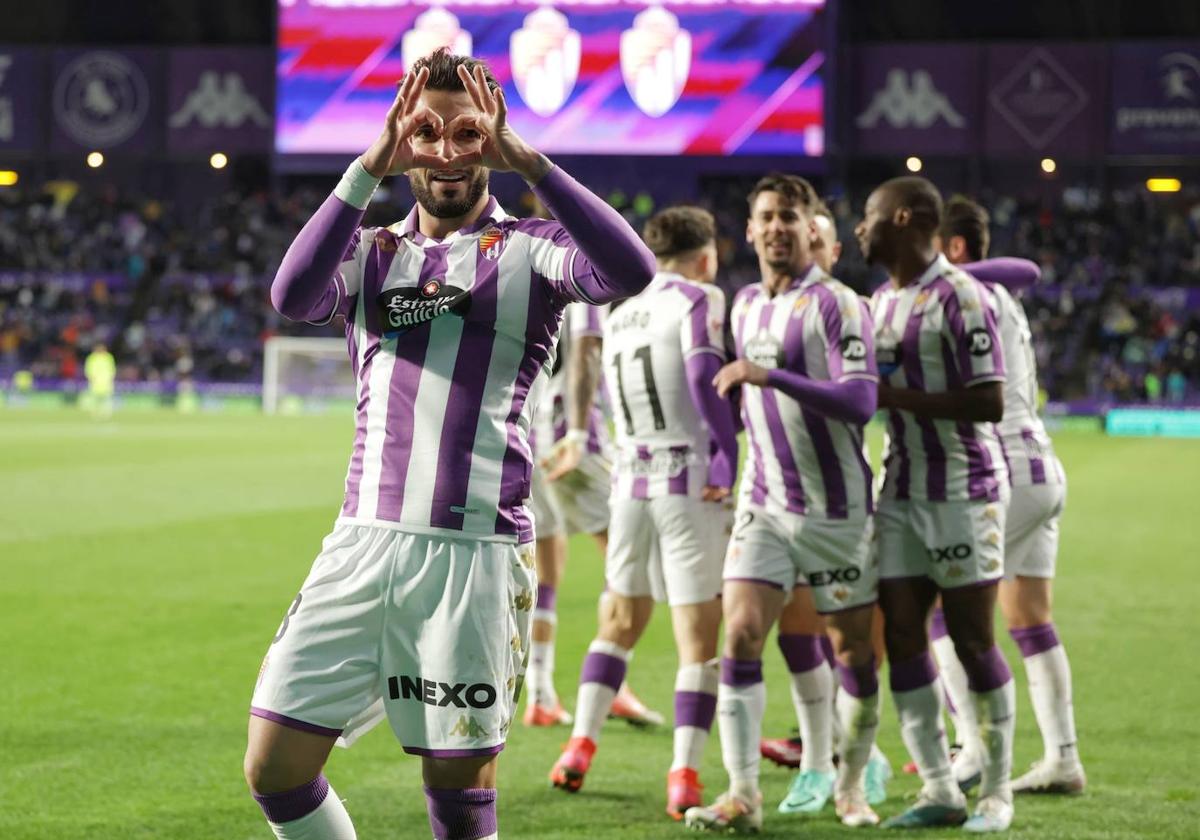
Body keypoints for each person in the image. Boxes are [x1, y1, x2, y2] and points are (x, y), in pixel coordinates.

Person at [243, 50, 655, 840]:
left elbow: (630, 270)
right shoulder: (370, 253)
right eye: (426, 132)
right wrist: (369, 164)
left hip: (474, 553)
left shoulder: (533, 250)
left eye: (467, 132)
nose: (446, 152)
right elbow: (292, 297)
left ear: (492, 135)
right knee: (274, 767)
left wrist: (530, 159)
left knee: (457, 792)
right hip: (361, 543)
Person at [685, 174, 881, 832]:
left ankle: (850, 786)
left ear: (810, 228)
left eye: (789, 218)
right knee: (738, 635)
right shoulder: (743, 306)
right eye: (766, 216)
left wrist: (767, 376)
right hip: (764, 501)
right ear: (749, 228)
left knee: (854, 653)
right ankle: (743, 795)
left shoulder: (838, 305)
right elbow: (744, 403)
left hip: (838, 512)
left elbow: (860, 402)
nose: (776, 228)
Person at [547, 206, 738, 820]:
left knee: (619, 620)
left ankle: (579, 745)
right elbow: (705, 376)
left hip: (630, 482)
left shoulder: (621, 307)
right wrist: (730, 458)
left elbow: (588, 368)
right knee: (696, 641)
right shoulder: (700, 298)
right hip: (688, 482)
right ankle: (683, 775)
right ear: (705, 254)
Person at [857, 177, 1015, 832]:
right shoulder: (879, 301)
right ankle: (941, 789)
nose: (858, 228)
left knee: (975, 641)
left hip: (962, 491)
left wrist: (892, 399)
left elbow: (989, 402)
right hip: (899, 490)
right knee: (900, 633)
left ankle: (998, 793)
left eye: (867, 217)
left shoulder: (964, 297)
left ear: (901, 219)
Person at [929, 197, 1084, 795]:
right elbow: (1025, 272)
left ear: (956, 249)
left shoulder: (964, 296)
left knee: (939, 611)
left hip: (1006, 472)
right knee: (1029, 617)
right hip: (1041, 469)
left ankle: (969, 749)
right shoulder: (1003, 298)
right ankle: (1063, 758)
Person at [758, 209, 893, 809]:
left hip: (855, 502)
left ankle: (870, 754)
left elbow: (861, 398)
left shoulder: (853, 307)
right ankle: (820, 758)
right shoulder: (762, 306)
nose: (800, 238)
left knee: (862, 644)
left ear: (832, 248)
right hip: (777, 505)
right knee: (791, 632)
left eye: (816, 232)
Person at [524, 295, 662, 729]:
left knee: (547, 570)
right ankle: (613, 684)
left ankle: (540, 693)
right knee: (626, 561)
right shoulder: (578, 274)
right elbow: (585, 349)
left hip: (530, 437)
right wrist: (580, 433)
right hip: (572, 443)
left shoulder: (528, 259)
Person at [83, 342, 116, 418]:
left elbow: (112, 368)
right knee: (94, 398)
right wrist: (90, 377)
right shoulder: (92, 357)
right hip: (95, 381)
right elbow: (88, 369)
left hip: (106, 381)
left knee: (107, 398)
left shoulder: (108, 357)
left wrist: (111, 377)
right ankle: (94, 412)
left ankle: (106, 413)